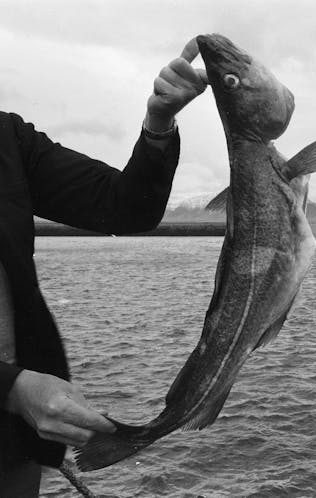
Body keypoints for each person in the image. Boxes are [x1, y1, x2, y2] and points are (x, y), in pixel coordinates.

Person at [0, 38, 208, 496]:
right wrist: (12, 387)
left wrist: (159, 123)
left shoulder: (7, 140)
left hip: (9, 445)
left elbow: (125, 207)